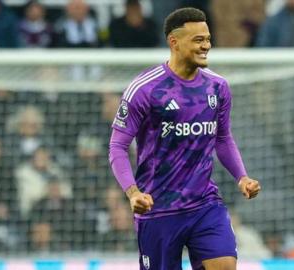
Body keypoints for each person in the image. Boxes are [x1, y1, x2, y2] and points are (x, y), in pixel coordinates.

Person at [108, 7, 260, 270]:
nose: (206, 46)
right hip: (158, 208)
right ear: (174, 42)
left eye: (208, 39)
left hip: (204, 204)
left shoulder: (217, 86)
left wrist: (242, 177)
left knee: (225, 265)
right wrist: (133, 192)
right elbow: (117, 146)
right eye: (198, 40)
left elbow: (222, 138)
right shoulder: (145, 89)